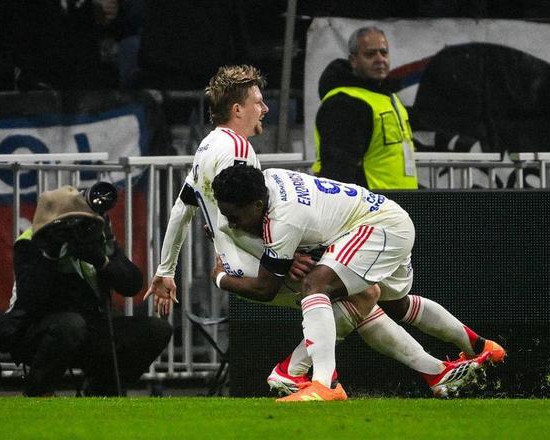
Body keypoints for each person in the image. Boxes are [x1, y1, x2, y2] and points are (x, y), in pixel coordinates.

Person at [142, 65, 481, 399]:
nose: (265, 108)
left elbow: (182, 209)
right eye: (258, 102)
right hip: (253, 263)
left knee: (361, 296)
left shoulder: (207, 146)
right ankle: (306, 376)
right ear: (237, 109)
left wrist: (165, 270)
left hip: (240, 262)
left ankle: (435, 371)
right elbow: (238, 216)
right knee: (361, 295)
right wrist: (277, 257)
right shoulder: (239, 151)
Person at [211, 165, 506, 401]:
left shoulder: (284, 220)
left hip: (377, 227)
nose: (232, 223)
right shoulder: (268, 180)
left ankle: (322, 384)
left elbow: (265, 289)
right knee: (395, 304)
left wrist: (220, 278)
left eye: (235, 216)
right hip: (388, 219)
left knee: (316, 285)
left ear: (258, 204)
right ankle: (479, 347)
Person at [0, 185, 172, 396]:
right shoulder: (30, 242)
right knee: (71, 324)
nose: (75, 229)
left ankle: (101, 389)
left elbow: (132, 284)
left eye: (82, 222)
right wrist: (52, 253)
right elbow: (30, 300)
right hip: (35, 331)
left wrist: (102, 260)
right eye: (68, 224)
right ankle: (38, 392)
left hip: (88, 329)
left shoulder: (96, 239)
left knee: (156, 329)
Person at [312, 26, 418, 189]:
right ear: (353, 60)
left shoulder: (388, 97)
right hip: (371, 202)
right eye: (370, 54)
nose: (380, 59)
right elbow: (338, 172)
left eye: (384, 53)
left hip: (396, 201)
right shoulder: (344, 103)